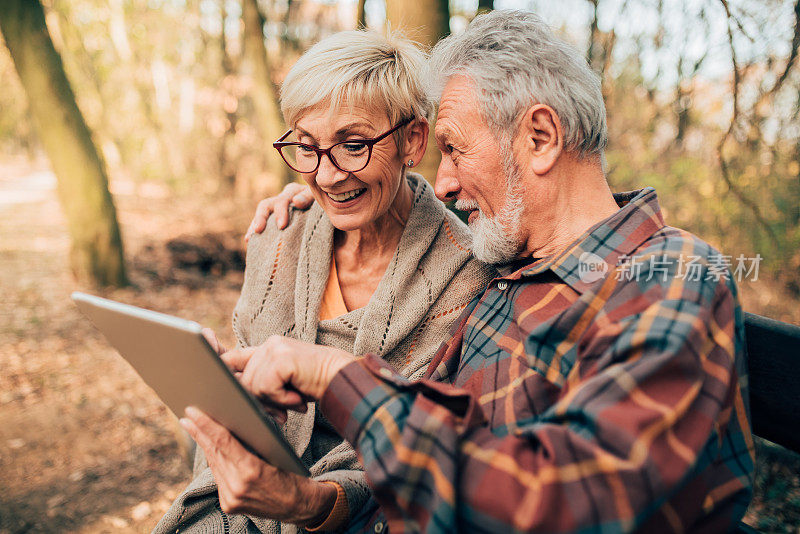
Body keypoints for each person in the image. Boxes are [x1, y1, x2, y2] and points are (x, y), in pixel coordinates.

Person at [184, 10, 755, 533]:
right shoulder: (510, 272)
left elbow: (574, 500)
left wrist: (335, 377)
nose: (444, 182)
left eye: (454, 149)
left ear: (540, 138)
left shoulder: (669, 275)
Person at [154, 30, 495, 534]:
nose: (329, 176)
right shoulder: (279, 233)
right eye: (308, 147)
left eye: (353, 145)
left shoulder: (469, 274)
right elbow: (247, 408)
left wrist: (304, 503)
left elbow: (418, 456)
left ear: (413, 141)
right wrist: (216, 385)